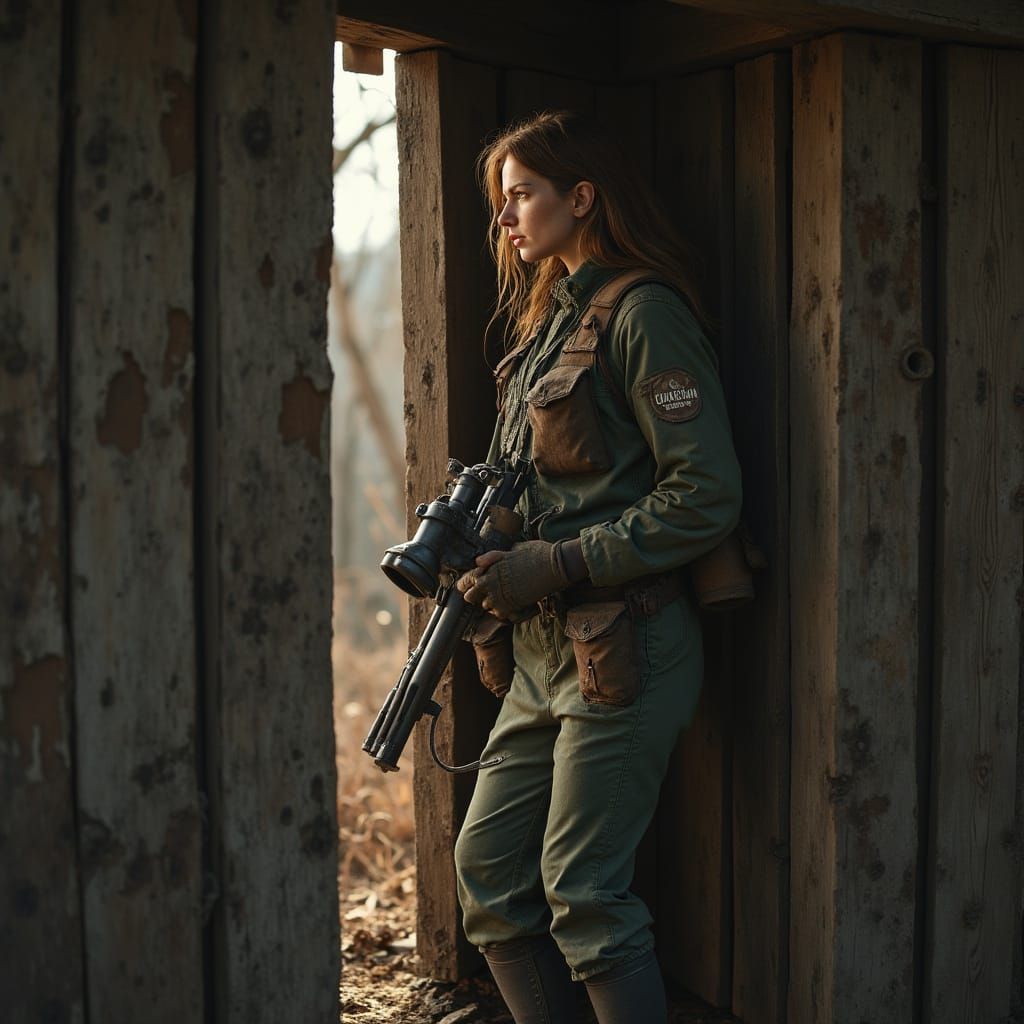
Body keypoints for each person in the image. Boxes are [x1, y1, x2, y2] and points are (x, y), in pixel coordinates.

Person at [453, 110, 743, 1024]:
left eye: (522, 197)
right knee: (491, 878)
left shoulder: (644, 311)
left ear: (581, 198)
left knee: (584, 893)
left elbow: (704, 494)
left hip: (631, 641)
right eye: (502, 203)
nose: (505, 219)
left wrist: (561, 559)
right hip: (545, 652)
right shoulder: (545, 327)